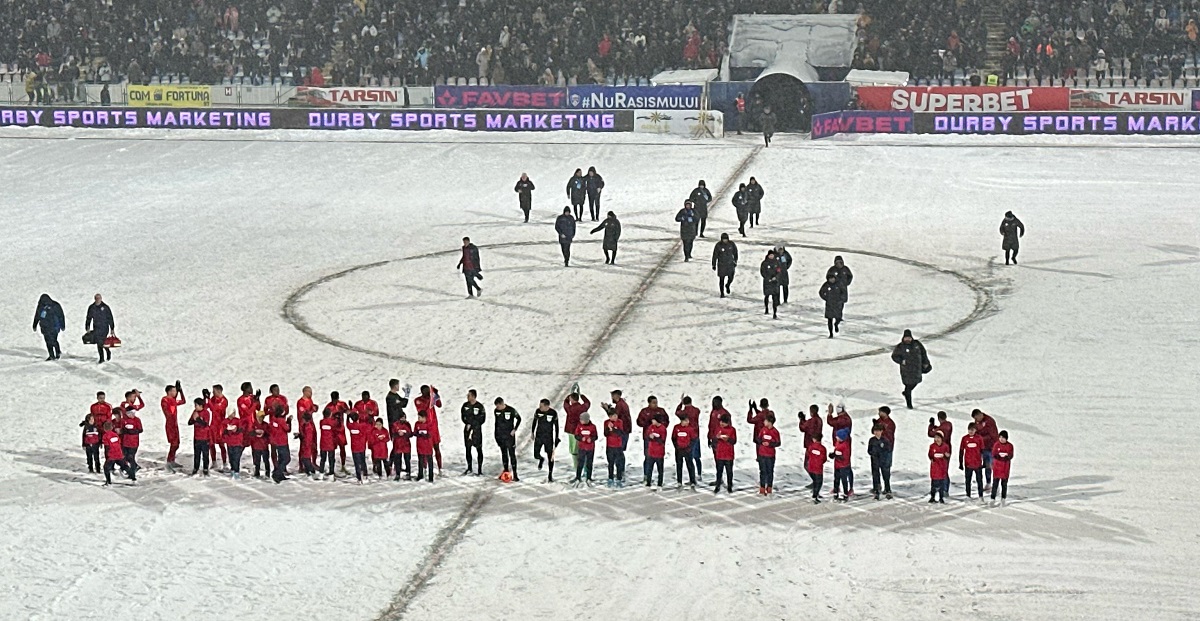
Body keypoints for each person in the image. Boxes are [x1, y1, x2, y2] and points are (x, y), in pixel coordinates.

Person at [892, 330, 931, 409]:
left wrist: (926, 362)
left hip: (917, 369)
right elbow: (894, 356)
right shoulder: (900, 347)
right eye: (906, 338)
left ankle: (906, 393)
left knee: (916, 382)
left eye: (909, 338)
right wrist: (902, 361)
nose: (907, 340)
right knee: (908, 386)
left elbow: (923, 353)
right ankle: (909, 404)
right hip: (906, 370)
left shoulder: (917, 344)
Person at [636, 396, 667, 482]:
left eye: (656, 402)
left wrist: (660, 427)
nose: (655, 404)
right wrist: (647, 423)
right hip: (648, 438)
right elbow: (639, 422)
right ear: (649, 403)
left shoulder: (661, 411)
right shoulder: (645, 411)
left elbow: (666, 421)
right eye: (653, 402)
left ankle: (660, 478)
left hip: (659, 438)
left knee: (659, 457)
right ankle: (647, 475)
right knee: (648, 456)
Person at [414, 385, 443, 475]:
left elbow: (439, 405)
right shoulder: (418, 400)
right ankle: (425, 467)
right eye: (425, 391)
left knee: (436, 447)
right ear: (422, 392)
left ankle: (440, 468)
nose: (427, 393)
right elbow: (422, 411)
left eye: (428, 391)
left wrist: (436, 395)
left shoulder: (432, 398)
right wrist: (431, 399)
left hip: (433, 427)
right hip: (424, 427)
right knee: (425, 449)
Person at [531, 398, 561, 482]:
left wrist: (556, 437)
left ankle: (550, 475)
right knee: (535, 454)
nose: (539, 407)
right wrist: (532, 432)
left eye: (541, 406)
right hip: (539, 436)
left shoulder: (553, 413)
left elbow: (556, 426)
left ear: (547, 406)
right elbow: (534, 421)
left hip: (548, 437)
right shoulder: (538, 411)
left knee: (550, 456)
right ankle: (540, 459)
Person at [675, 396, 702, 484]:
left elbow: (677, 412)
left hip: (686, 437)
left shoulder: (683, 412)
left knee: (688, 458)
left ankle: (684, 479)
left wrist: (680, 404)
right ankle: (699, 473)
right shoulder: (696, 410)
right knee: (697, 457)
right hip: (696, 434)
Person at [494, 397, 521, 481]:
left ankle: (515, 474)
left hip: (509, 436)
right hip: (501, 436)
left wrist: (515, 429)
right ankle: (506, 470)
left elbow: (519, 418)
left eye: (498, 406)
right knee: (504, 453)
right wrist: (496, 435)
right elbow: (496, 423)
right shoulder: (496, 411)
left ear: (502, 404)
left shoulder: (511, 410)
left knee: (512, 454)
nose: (497, 408)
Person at [971, 409, 999, 488]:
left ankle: (996, 484)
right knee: (987, 465)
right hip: (984, 447)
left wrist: (980, 439)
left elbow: (992, 435)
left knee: (992, 465)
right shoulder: (977, 423)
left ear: (980, 415)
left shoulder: (989, 421)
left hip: (992, 447)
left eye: (976, 418)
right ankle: (988, 482)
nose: (976, 420)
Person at [32, 294, 65, 360]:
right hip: (46, 328)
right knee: (49, 341)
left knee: (52, 341)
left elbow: (60, 315)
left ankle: (56, 353)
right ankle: (52, 355)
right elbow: (37, 315)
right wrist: (35, 324)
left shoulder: (54, 305)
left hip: (53, 327)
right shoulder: (43, 306)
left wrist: (62, 325)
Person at [461, 389, 486, 475]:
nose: (467, 397)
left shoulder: (479, 406)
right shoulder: (465, 406)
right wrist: (467, 423)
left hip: (476, 431)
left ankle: (479, 469)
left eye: (469, 395)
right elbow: (463, 417)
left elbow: (482, 419)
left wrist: (473, 424)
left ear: (473, 396)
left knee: (479, 449)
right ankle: (469, 467)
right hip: (467, 430)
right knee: (468, 449)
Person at [205, 385, 230, 470]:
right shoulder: (213, 398)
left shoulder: (224, 400)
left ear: (219, 391)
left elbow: (214, 409)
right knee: (211, 444)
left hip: (220, 426)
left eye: (214, 391)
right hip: (213, 425)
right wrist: (205, 397)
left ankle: (225, 463)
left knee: (221, 444)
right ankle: (214, 462)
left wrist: (208, 400)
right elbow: (206, 406)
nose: (213, 393)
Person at [161, 382, 185, 471]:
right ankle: (169, 461)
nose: (176, 392)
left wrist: (180, 391)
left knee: (177, 444)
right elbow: (168, 412)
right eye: (174, 391)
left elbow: (183, 401)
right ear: (169, 391)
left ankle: (172, 460)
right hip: (170, 424)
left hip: (175, 424)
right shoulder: (165, 399)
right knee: (173, 443)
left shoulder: (172, 400)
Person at [85, 293, 115, 363]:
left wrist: (112, 328)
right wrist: (87, 326)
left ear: (101, 299)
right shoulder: (92, 307)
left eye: (99, 298)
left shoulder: (105, 307)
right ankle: (101, 358)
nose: (98, 300)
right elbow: (88, 318)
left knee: (102, 342)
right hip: (96, 328)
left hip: (104, 328)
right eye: (97, 299)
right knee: (99, 343)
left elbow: (110, 318)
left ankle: (107, 351)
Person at [755, 414, 781, 496]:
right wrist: (761, 442)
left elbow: (778, 443)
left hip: (770, 455)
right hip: (762, 453)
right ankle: (762, 487)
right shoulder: (763, 430)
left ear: (770, 422)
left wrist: (769, 444)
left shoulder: (775, 432)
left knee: (770, 471)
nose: (764, 422)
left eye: (765, 421)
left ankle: (769, 487)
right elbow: (758, 439)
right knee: (762, 471)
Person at [188, 398, 214, 477]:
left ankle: (205, 468)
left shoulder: (206, 413)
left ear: (200, 405)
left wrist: (198, 419)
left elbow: (205, 424)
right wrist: (194, 419)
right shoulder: (195, 412)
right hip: (196, 437)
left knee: (205, 454)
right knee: (197, 454)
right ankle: (196, 468)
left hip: (205, 437)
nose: (195, 407)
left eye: (196, 405)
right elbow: (189, 422)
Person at [672, 411, 698, 489]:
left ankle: (692, 480)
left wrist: (690, 447)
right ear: (682, 421)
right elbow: (673, 438)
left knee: (690, 465)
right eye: (685, 421)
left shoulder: (690, 429)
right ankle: (679, 481)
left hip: (687, 450)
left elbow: (694, 439)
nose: (687, 422)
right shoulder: (676, 428)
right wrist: (676, 446)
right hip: (679, 450)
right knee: (679, 465)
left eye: (688, 420)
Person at [712, 413, 737, 494]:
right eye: (721, 422)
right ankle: (718, 485)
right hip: (720, 454)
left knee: (729, 471)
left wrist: (728, 439)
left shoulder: (732, 430)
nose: (721, 424)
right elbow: (714, 439)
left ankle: (729, 485)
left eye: (724, 422)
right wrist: (717, 438)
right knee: (719, 471)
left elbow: (734, 441)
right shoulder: (717, 429)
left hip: (729, 454)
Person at [867, 424, 893, 500]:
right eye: (875, 431)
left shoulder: (885, 440)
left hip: (883, 461)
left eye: (878, 431)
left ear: (881, 431)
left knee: (886, 476)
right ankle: (877, 490)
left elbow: (888, 450)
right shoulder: (872, 440)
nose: (876, 432)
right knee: (875, 476)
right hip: (875, 461)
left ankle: (888, 490)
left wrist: (884, 458)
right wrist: (873, 454)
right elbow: (869, 450)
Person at [960, 422, 985, 499]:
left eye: (972, 430)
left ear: (975, 430)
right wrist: (960, 462)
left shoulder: (979, 438)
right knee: (968, 480)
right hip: (968, 463)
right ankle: (968, 495)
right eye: (969, 430)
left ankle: (981, 496)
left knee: (979, 480)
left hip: (977, 463)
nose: (971, 431)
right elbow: (961, 450)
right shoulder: (964, 438)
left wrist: (984, 462)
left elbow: (982, 450)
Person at [119, 397, 143, 477]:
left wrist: (132, 431)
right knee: (125, 457)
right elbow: (122, 429)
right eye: (130, 413)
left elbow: (140, 430)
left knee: (131, 457)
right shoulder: (123, 420)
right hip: (125, 442)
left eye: (133, 413)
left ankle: (132, 473)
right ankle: (133, 468)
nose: (132, 415)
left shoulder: (137, 420)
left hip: (134, 442)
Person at [572, 412, 598, 485]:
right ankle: (578, 476)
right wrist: (581, 438)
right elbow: (576, 435)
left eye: (582, 420)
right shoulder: (579, 426)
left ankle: (589, 477)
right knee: (580, 462)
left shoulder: (593, 427)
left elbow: (595, 436)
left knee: (589, 463)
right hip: (582, 447)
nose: (581, 421)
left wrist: (591, 439)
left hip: (590, 448)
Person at [819, 274, 847, 338]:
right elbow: (821, 292)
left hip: (837, 304)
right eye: (830, 279)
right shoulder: (826, 285)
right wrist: (826, 298)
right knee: (829, 319)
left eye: (833, 278)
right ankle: (831, 333)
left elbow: (843, 292)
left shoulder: (839, 284)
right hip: (829, 305)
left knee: (838, 318)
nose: (832, 280)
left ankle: (836, 324)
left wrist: (841, 299)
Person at [603, 408, 626, 487]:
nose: (615, 417)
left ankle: (619, 478)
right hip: (609, 446)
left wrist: (613, 429)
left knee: (618, 463)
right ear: (610, 417)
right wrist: (608, 429)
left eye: (616, 415)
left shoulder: (620, 422)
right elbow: (605, 434)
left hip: (618, 446)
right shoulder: (606, 422)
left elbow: (620, 433)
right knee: (610, 463)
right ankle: (610, 478)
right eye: (613, 416)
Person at [347, 412, 371, 484]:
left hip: (354, 447)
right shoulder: (362, 426)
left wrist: (348, 416)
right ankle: (365, 475)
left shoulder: (350, 426)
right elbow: (369, 425)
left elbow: (347, 423)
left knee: (356, 463)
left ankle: (359, 478)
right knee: (363, 461)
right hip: (362, 446)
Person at [712, 233, 739, 298]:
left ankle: (728, 285)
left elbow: (735, 253)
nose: (725, 241)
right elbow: (715, 255)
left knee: (731, 277)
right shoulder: (718, 245)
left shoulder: (731, 244)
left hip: (730, 264)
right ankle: (722, 293)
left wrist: (735, 261)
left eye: (726, 239)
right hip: (722, 265)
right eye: (724, 239)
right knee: (721, 279)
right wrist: (714, 264)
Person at [990, 431, 1013, 504]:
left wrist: (1005, 457)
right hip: (997, 468)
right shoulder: (996, 444)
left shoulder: (1010, 446)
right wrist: (999, 456)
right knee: (995, 484)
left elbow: (1010, 455)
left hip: (1005, 468)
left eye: (1003, 437)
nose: (1001, 439)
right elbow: (994, 453)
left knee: (1004, 484)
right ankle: (992, 498)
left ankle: (1003, 498)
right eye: (1000, 437)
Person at [928, 431, 951, 503]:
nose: (937, 439)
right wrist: (931, 459)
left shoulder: (945, 446)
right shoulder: (932, 446)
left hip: (942, 468)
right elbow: (930, 455)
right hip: (935, 468)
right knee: (934, 483)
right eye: (935, 437)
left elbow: (947, 455)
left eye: (938, 438)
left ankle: (941, 498)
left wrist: (947, 456)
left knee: (941, 484)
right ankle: (932, 497)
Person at [805, 433, 828, 503]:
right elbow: (824, 458)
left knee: (815, 481)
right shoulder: (822, 449)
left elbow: (808, 454)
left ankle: (815, 493)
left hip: (811, 467)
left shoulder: (811, 446)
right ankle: (815, 495)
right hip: (818, 469)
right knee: (819, 482)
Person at [390, 412, 413, 480]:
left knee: (407, 460)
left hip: (406, 445)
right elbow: (393, 434)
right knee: (397, 460)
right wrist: (398, 433)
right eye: (402, 417)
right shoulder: (395, 425)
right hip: (398, 445)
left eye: (404, 417)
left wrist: (405, 434)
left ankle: (408, 473)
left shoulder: (407, 424)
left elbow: (411, 434)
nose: (403, 419)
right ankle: (397, 474)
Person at [414, 412, 436, 482]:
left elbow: (431, 433)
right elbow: (415, 432)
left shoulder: (429, 424)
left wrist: (425, 435)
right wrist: (418, 434)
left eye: (420, 417)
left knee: (430, 461)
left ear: (424, 417)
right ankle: (420, 475)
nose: (418, 419)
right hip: (420, 445)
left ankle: (430, 476)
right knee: (420, 461)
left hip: (427, 445)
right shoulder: (417, 424)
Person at [832, 428, 852, 501]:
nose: (836, 437)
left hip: (843, 466)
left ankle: (845, 493)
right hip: (837, 465)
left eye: (837, 436)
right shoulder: (838, 443)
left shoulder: (845, 446)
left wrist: (837, 456)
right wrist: (833, 454)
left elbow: (845, 457)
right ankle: (836, 492)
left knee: (844, 480)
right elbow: (836, 451)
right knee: (836, 479)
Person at [760, 249, 782, 319]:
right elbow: (762, 272)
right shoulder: (764, 263)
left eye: (772, 255)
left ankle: (774, 313)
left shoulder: (777, 262)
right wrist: (768, 278)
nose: (771, 256)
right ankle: (766, 308)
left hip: (774, 282)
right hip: (767, 282)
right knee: (767, 296)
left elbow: (779, 271)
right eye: (770, 255)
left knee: (774, 298)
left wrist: (776, 277)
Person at [222, 414, 244, 480]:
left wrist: (236, 430)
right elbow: (223, 432)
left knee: (236, 458)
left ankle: (236, 471)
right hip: (230, 443)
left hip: (237, 443)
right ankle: (232, 469)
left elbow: (241, 430)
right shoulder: (225, 422)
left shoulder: (238, 421)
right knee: (231, 457)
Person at [318, 409, 338, 478]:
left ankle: (321, 473)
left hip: (323, 443)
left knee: (322, 459)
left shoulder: (321, 422)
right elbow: (336, 429)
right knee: (331, 459)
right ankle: (331, 474)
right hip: (330, 443)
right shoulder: (333, 422)